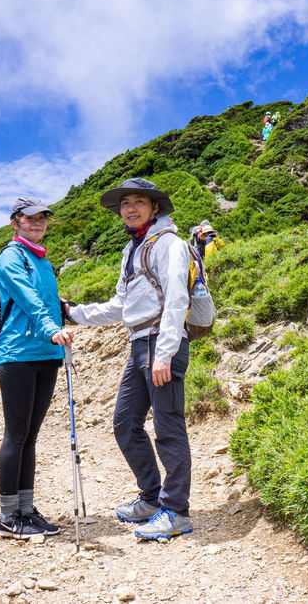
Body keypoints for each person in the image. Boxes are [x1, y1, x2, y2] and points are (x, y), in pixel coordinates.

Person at [61, 178, 195, 540]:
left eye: (138, 202)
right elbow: (122, 305)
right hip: (139, 343)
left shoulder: (169, 244)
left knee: (168, 428)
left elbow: (177, 299)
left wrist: (164, 353)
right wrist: (76, 313)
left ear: (154, 208)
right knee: (125, 423)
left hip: (160, 343)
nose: (130, 208)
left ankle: (176, 511)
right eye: (125, 203)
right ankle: (152, 498)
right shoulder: (132, 249)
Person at [0, 197, 75, 539]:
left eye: (42, 218)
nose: (37, 223)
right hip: (17, 355)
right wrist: (50, 328)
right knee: (16, 434)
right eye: (30, 218)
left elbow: (49, 302)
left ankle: (26, 509)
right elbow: (29, 300)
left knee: (30, 436)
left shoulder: (42, 260)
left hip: (45, 354)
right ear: (15, 222)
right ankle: (8, 516)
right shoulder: (11, 257)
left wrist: (66, 312)